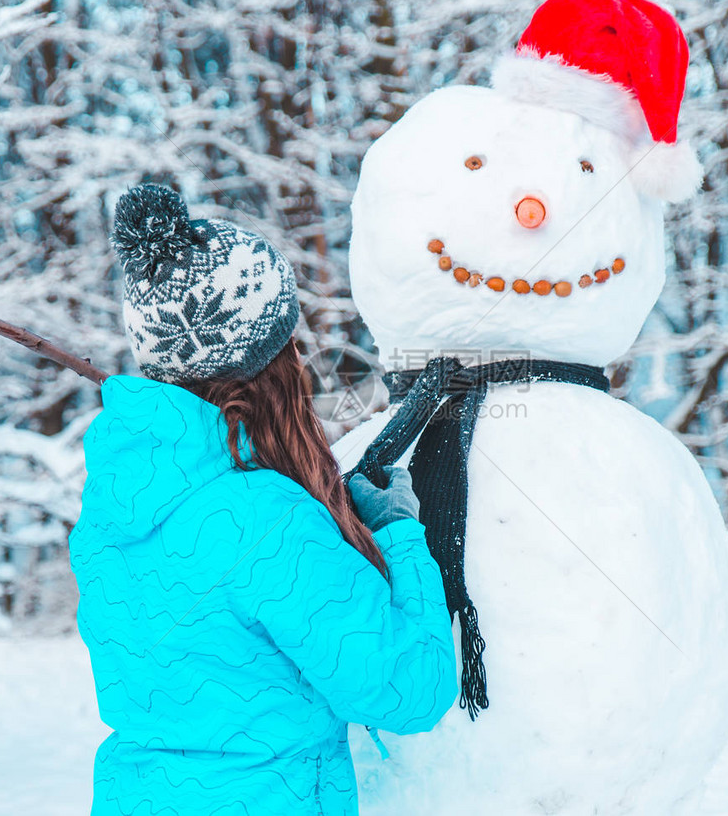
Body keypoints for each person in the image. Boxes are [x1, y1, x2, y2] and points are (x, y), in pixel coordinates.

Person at [69, 184, 458, 815]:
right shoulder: (268, 522)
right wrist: (400, 537)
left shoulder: (110, 514)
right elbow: (407, 689)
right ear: (273, 364)